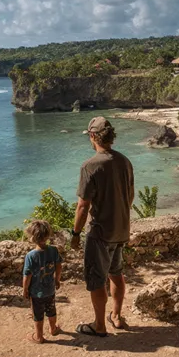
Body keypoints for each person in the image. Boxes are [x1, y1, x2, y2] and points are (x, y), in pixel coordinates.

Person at [71, 117, 134, 337]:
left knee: (97, 280)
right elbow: (130, 196)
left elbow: (83, 206)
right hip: (121, 229)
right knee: (116, 275)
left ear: (92, 136)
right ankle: (116, 316)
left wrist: (75, 233)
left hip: (100, 232)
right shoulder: (125, 161)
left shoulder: (90, 166)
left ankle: (99, 325)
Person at [22, 220, 63, 343]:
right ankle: (53, 329)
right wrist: (57, 279)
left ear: (31, 237)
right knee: (51, 310)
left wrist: (25, 289)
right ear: (47, 235)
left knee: (38, 314)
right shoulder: (53, 250)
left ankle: (39, 336)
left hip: (36, 293)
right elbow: (59, 265)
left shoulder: (31, 256)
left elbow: (27, 275)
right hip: (50, 289)